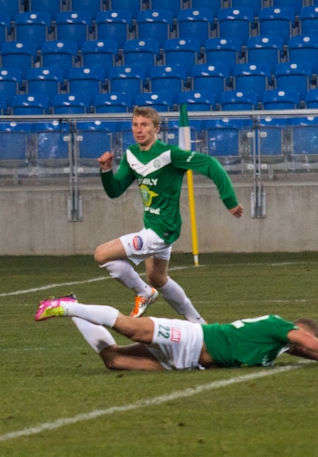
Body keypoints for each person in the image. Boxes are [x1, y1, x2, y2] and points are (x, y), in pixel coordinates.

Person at [95, 106, 244, 326]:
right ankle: (199, 323)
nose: (139, 129)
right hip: (152, 227)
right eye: (135, 124)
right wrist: (106, 171)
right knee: (157, 278)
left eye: (144, 125)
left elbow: (211, 164)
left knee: (101, 255)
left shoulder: (170, 154)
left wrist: (230, 201)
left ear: (157, 128)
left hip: (162, 229)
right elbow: (115, 191)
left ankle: (143, 293)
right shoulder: (131, 155)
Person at [35, 294, 318, 371]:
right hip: (193, 338)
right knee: (131, 329)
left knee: (113, 361)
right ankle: (64, 306)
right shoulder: (281, 328)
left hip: (188, 364)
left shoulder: (277, 349)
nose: (301, 345)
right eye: (300, 338)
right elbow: (316, 344)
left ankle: (74, 309)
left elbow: (316, 352)